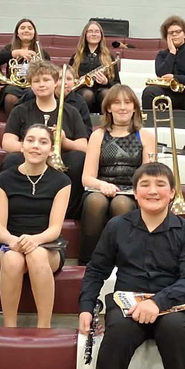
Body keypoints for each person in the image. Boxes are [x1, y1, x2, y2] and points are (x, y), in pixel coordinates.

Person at [78, 162, 185, 369]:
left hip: (171, 306)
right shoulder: (116, 226)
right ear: (135, 193)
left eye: (160, 185)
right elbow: (96, 270)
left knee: (175, 330)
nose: (153, 191)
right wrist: (86, 307)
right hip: (128, 303)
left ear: (172, 192)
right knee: (118, 333)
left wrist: (157, 303)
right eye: (145, 185)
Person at [0, 125, 72, 329]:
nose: (36, 146)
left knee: (36, 255)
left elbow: (55, 229)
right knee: (12, 259)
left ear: (51, 149)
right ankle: (9, 328)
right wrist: (14, 241)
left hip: (47, 245)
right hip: (12, 245)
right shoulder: (3, 180)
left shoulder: (62, 181)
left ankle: (43, 327)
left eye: (43, 142)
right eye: (30, 140)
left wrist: (34, 240)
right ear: (22, 146)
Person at [79, 84, 156, 265]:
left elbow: (149, 175)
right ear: (108, 108)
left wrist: (136, 190)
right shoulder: (98, 135)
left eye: (128, 102)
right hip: (101, 187)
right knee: (94, 202)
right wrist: (101, 185)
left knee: (121, 204)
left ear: (135, 108)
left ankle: (122, 262)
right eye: (117, 103)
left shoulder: (145, 136)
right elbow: (87, 177)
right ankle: (87, 262)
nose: (123, 107)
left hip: (132, 190)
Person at [2, 60, 88, 215]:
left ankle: (68, 211)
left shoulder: (72, 112)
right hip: (30, 158)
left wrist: (64, 141)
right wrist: (31, 145)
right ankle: (18, 208)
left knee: (78, 159)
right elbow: (7, 143)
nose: (41, 84)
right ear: (31, 85)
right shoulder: (20, 110)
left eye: (46, 80)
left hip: (60, 158)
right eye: (36, 81)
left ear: (56, 82)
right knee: (11, 160)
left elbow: (84, 146)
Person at [143, 15, 185, 112]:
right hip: (167, 94)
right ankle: (150, 124)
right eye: (170, 33)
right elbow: (161, 74)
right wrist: (172, 53)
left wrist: (175, 78)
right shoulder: (162, 55)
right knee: (149, 92)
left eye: (178, 32)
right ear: (166, 37)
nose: (174, 34)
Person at [0, 18, 49, 113]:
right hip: (13, 85)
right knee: (10, 97)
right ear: (17, 33)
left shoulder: (42, 52)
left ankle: (30, 123)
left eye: (30, 28)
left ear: (34, 33)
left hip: (33, 85)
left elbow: (49, 71)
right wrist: (16, 53)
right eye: (23, 28)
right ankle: (13, 124)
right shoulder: (10, 48)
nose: (26, 30)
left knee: (33, 93)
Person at [69, 19, 120, 114]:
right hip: (82, 92)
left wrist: (106, 82)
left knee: (106, 94)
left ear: (101, 36)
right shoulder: (75, 57)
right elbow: (69, 79)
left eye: (97, 31)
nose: (94, 34)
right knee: (87, 94)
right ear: (85, 35)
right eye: (90, 31)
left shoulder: (109, 57)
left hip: (102, 92)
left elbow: (118, 84)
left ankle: (108, 124)